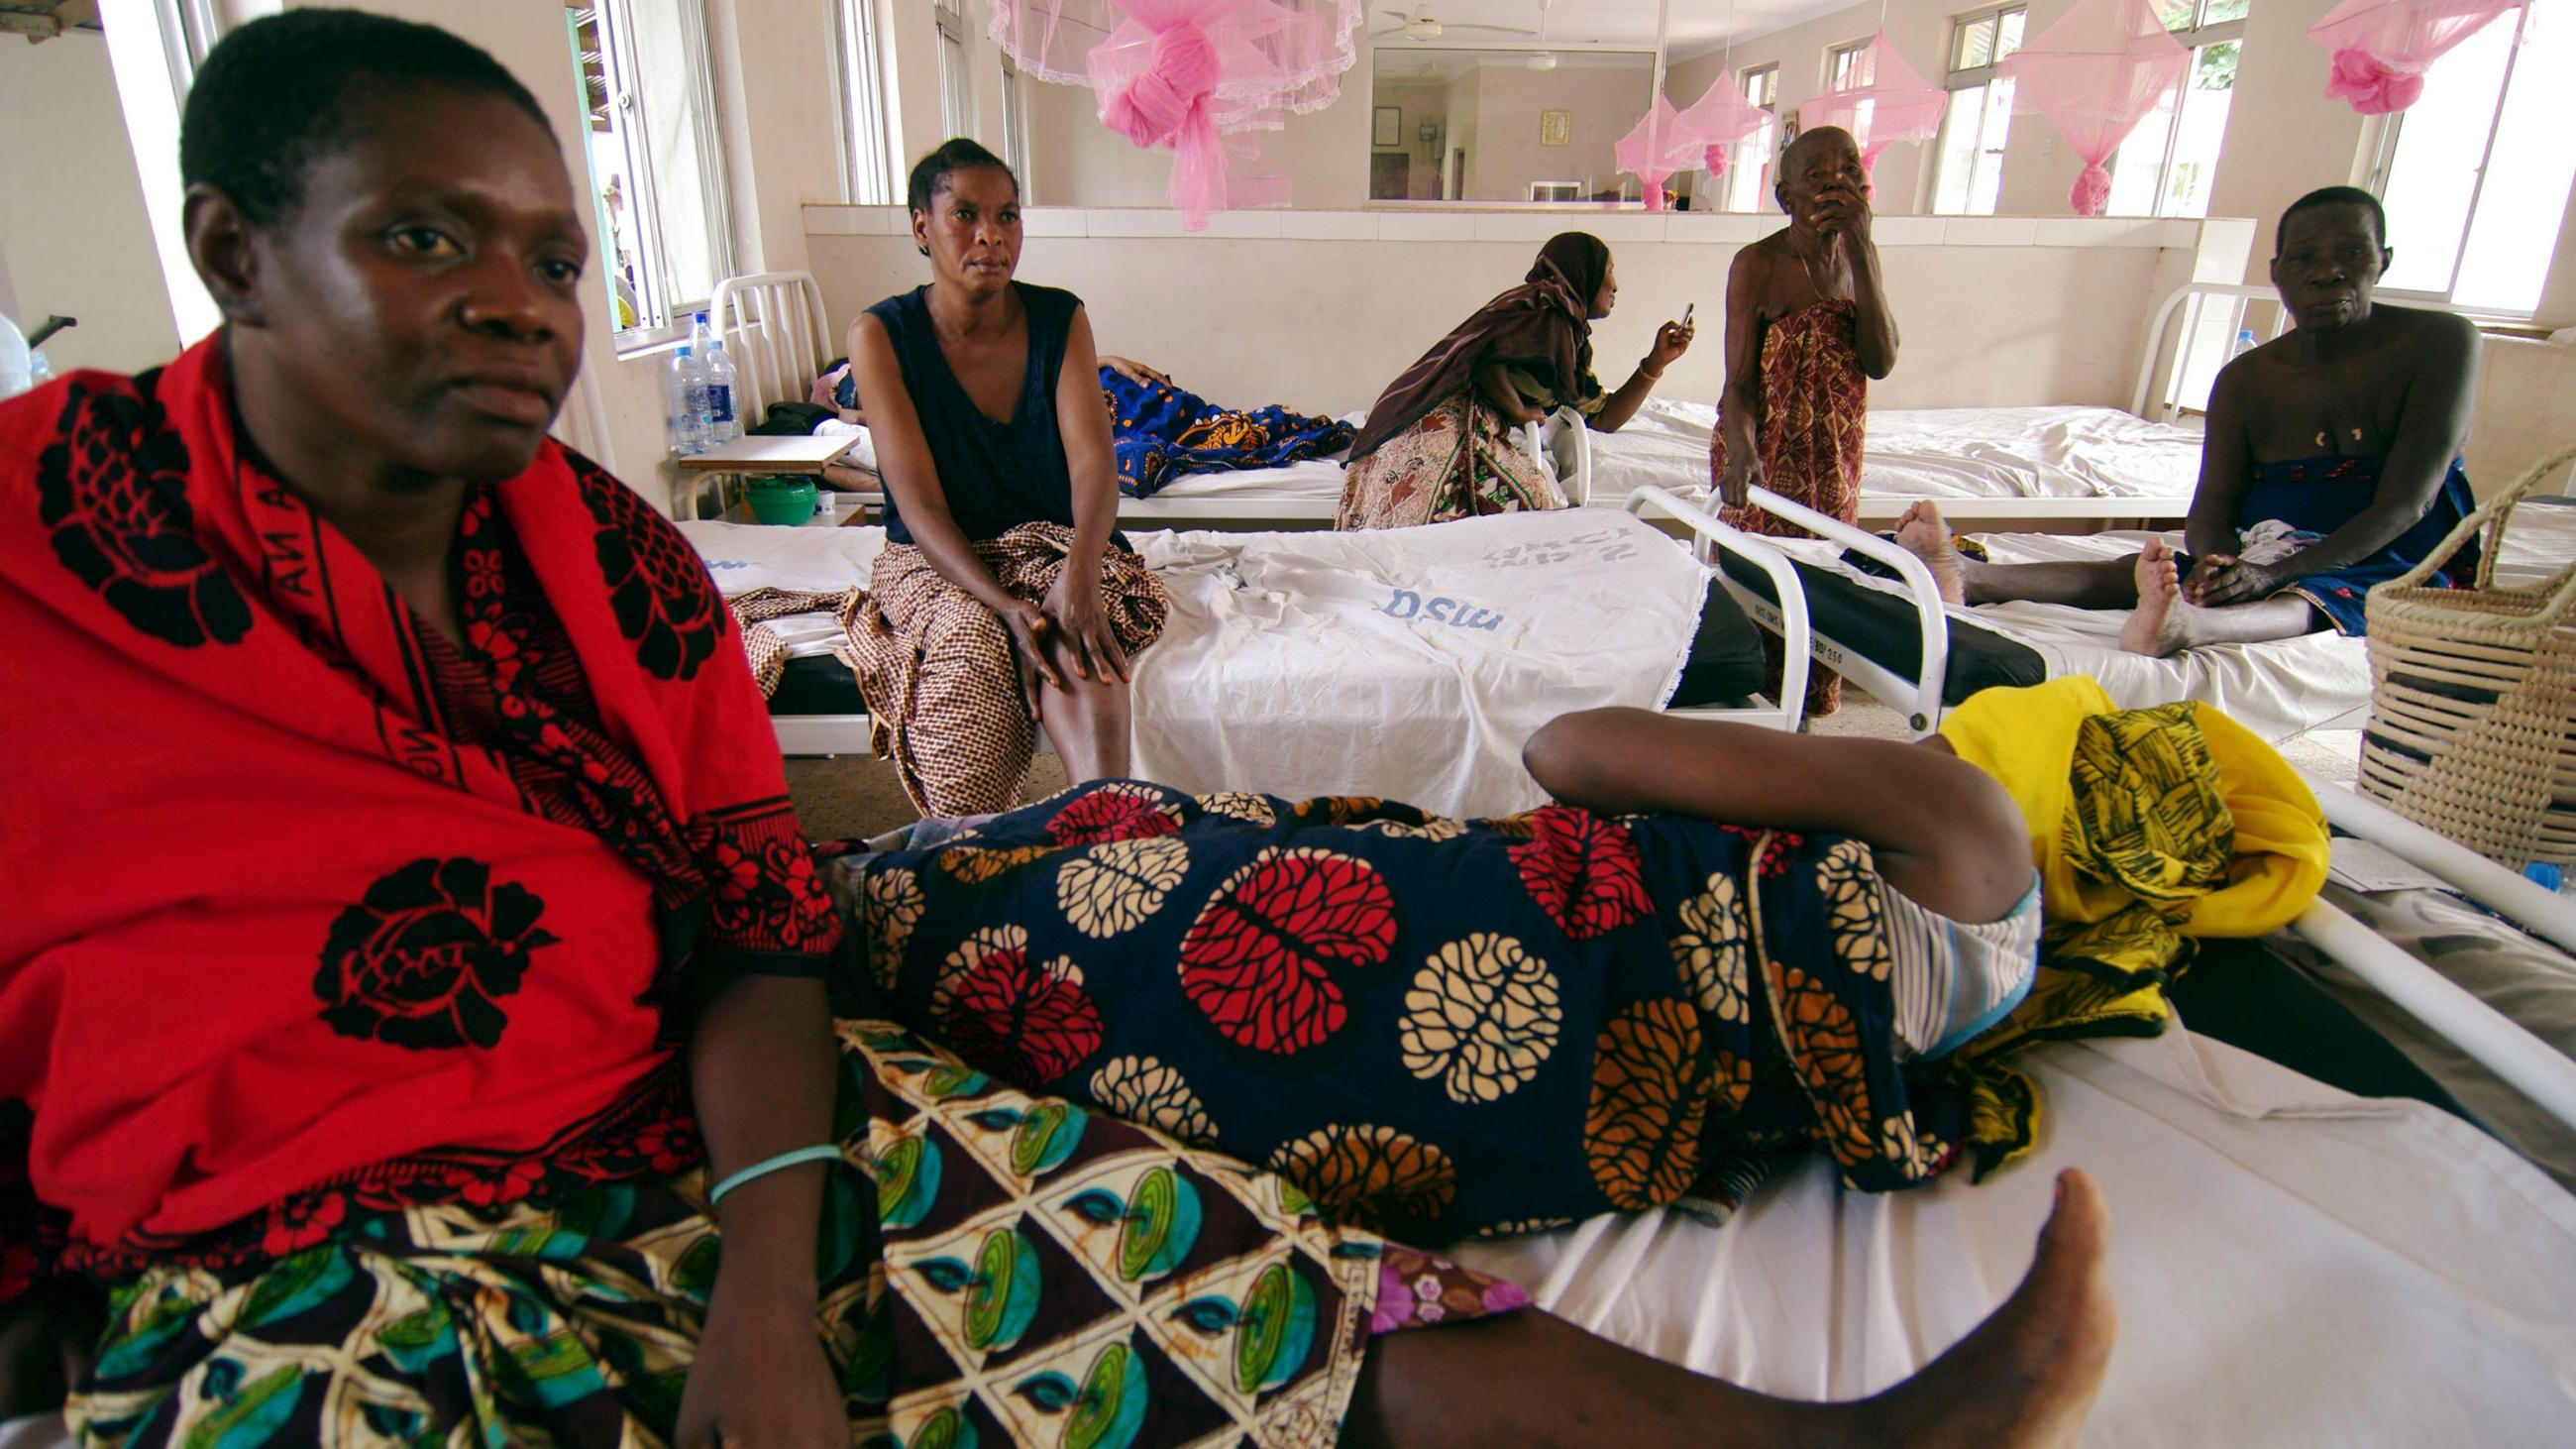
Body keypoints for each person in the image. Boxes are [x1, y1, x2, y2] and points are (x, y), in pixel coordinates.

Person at [0, 15, 2125, 1447]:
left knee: (1220, 1251)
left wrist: (765, 1264)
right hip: (265, 1225)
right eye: (422, 239)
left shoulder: (618, 576)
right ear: (229, 254)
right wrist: (997, 579)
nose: (518, 302)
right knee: (972, 675)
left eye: (553, 256)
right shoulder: (41, 572)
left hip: (659, 1108)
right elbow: (913, 501)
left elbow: (761, 917)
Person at [1893, 186, 2481, 657]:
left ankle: (2191, 629)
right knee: (2169, 568)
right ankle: (1973, 578)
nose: (2327, 273)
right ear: (2278, 273)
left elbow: (2410, 504)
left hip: (2397, 545)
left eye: (2350, 254)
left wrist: (2271, 575)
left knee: (2325, 594)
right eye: (2305, 258)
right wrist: (2222, 562)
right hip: (2274, 536)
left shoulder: (2437, 342)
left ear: (2384, 261)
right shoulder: (2248, 378)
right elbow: (2214, 505)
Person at [837, 140, 1167, 820]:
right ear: (921, 227)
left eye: (1008, 216)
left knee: (1081, 633)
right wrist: (1005, 605)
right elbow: (919, 503)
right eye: (965, 214)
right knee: (967, 649)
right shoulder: (879, 335)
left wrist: (1078, 576)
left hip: (1054, 542)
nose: (991, 234)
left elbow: (1093, 466)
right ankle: (975, 857)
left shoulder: (1059, 317)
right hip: (937, 558)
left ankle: (1100, 831)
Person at [1712, 125, 1899, 717]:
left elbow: (1881, 360)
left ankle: (1800, 739)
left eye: (1848, 170)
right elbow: (1737, 383)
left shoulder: (1859, 260)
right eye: (1817, 177)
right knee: (1767, 600)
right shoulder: (1759, 264)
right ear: (1786, 196)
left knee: (1823, 599)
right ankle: (1752, 731)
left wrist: (1864, 252)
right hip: (1767, 451)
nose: (1836, 185)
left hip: (1836, 459)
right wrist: (1742, 449)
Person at [1336, 232, 1693, 529]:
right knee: (1540, 506)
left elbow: (1605, 416)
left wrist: (1657, 361)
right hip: (1444, 425)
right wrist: (1518, 410)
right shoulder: (1546, 312)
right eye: (1610, 271)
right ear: (1585, 272)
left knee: (1533, 506)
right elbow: (1484, 362)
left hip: (1423, 417)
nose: (1616, 285)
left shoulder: (1557, 324)